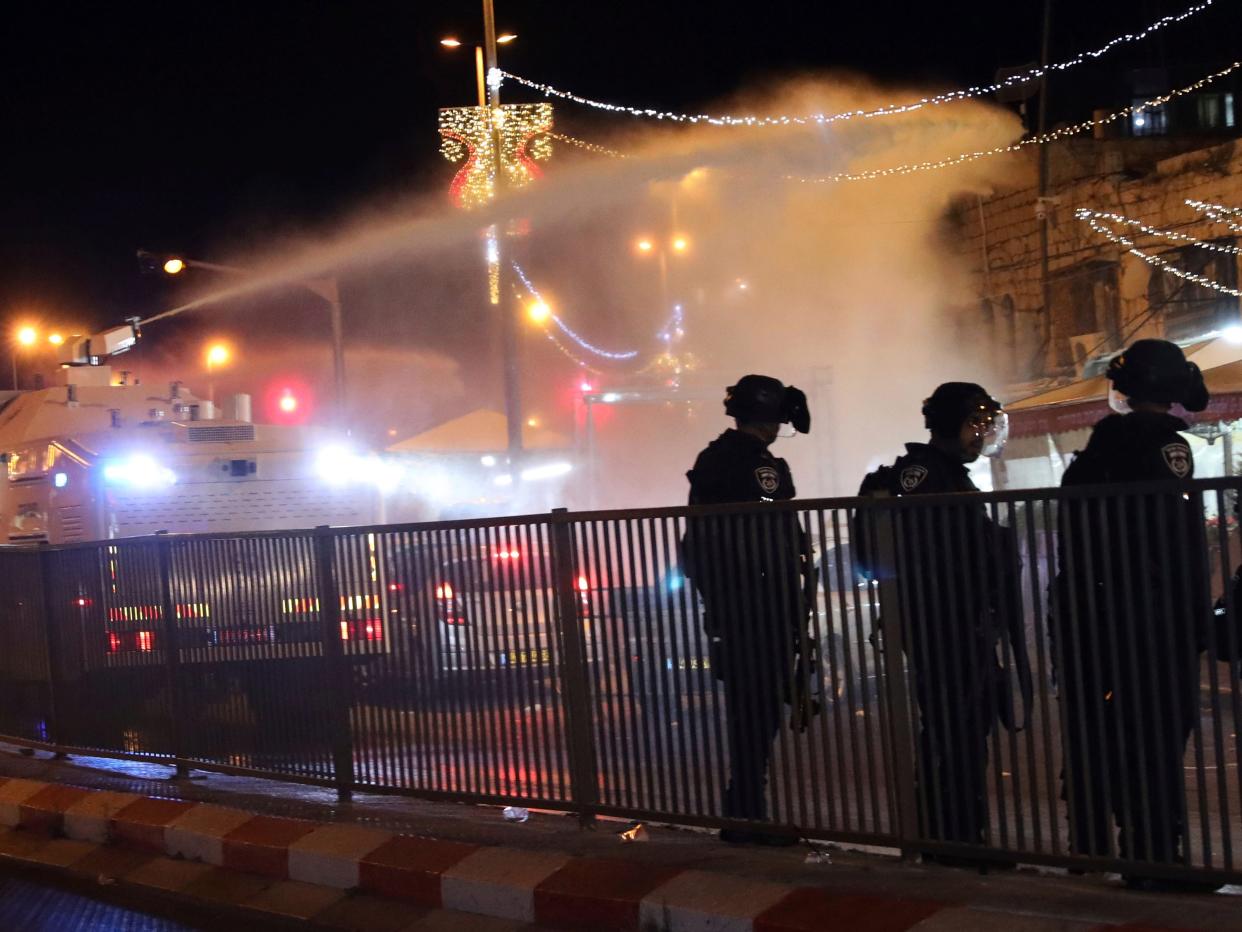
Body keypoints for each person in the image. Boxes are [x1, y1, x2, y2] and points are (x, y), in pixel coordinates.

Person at [1052, 339, 1216, 891]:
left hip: (1094, 619)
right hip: (1151, 622)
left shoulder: (1093, 453)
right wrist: (1196, 617)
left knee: (1105, 732)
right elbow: (1177, 544)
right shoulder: (1166, 448)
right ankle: (1154, 855)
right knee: (1160, 736)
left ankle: (1100, 844)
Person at [857, 382, 1031, 863]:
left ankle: (957, 835)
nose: (981, 435)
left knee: (964, 730)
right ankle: (950, 839)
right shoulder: (925, 474)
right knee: (952, 731)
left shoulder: (949, 474)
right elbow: (938, 551)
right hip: (943, 623)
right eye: (975, 424)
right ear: (951, 424)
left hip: (958, 622)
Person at [682, 374, 814, 845]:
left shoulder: (712, 458)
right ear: (773, 419)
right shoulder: (759, 467)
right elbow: (771, 544)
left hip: (731, 606)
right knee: (757, 710)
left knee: (747, 708)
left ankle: (745, 809)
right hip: (761, 608)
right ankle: (746, 813)